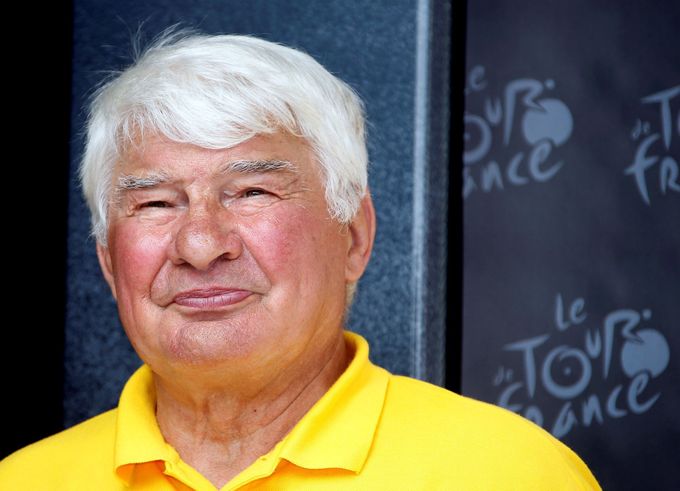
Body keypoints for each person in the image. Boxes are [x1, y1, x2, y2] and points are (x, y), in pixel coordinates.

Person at [0, 31, 600, 490]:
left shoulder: (507, 472)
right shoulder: (26, 480)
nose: (202, 245)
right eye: (157, 202)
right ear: (108, 262)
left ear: (355, 238)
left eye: (252, 193)